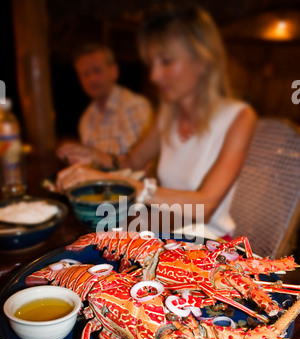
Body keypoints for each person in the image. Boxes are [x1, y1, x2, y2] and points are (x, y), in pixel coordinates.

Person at [56, 6, 257, 239]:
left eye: (166, 61)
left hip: (210, 243)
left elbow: (206, 206)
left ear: (202, 60)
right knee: (83, 239)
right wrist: (93, 156)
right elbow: (132, 161)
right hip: (167, 230)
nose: (154, 75)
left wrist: (109, 180)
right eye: (152, 63)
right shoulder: (167, 115)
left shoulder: (239, 117)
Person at [57, 43, 153, 169]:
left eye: (97, 70)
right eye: (85, 74)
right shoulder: (86, 118)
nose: (91, 79)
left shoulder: (135, 106)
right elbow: (89, 167)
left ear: (114, 71)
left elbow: (148, 166)